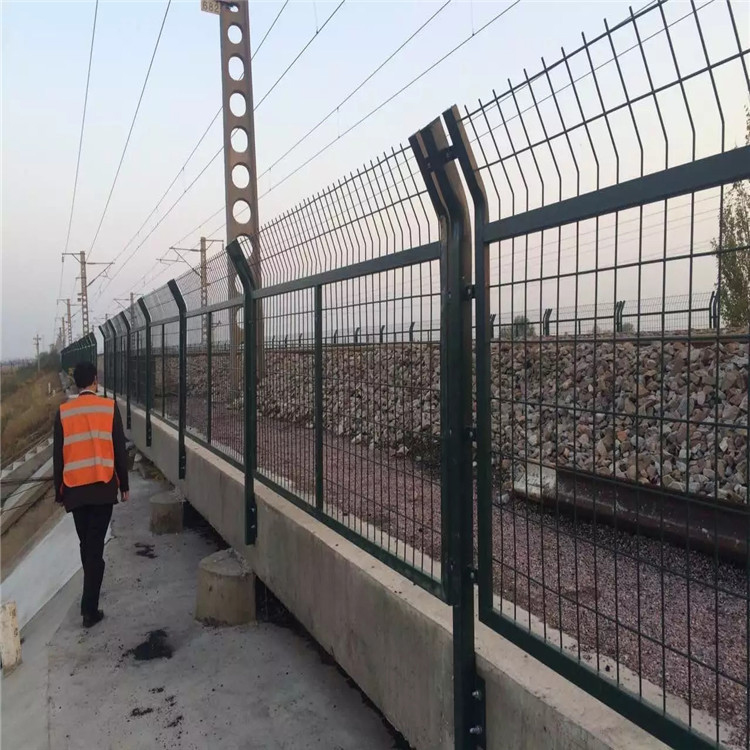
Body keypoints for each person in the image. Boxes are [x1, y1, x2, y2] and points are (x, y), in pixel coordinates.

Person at [53, 361, 129, 628]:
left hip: (75, 491)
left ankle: (90, 601)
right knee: (93, 549)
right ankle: (89, 610)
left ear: (76, 384)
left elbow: (58, 456)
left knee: (87, 545)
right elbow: (119, 449)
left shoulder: (64, 412)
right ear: (95, 380)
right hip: (102, 488)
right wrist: (124, 485)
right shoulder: (108, 408)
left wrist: (59, 491)